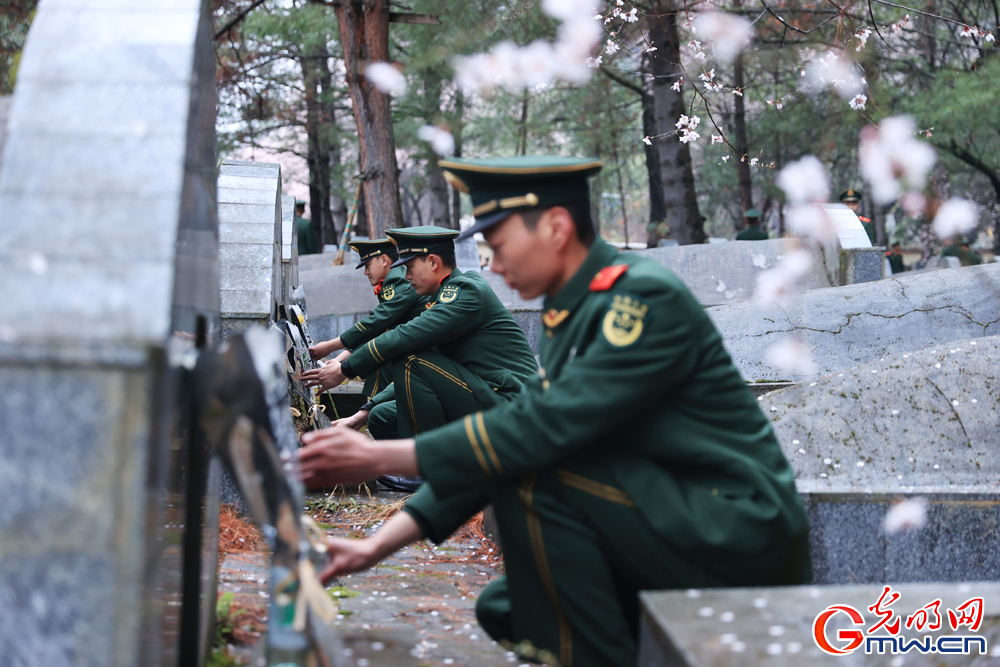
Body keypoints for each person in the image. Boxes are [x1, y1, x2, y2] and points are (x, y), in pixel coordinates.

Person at [297, 156, 811, 666]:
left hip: (732, 524)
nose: (494, 266)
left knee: (531, 478)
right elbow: (519, 433)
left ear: (556, 228)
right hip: (667, 513)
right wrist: (374, 548)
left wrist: (378, 458)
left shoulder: (640, 298)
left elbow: (537, 433)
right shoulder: (581, 306)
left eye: (499, 247)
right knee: (509, 606)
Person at [303, 225, 537, 490]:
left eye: (410, 267)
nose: (406, 275)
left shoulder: (465, 291)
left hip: (509, 407)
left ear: (434, 262)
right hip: (480, 396)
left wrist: (345, 369)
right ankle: (451, 462)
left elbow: (405, 337)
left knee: (410, 358)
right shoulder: (441, 298)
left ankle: (426, 470)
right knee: (382, 417)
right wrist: (360, 416)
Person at [306, 238, 427, 401]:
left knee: (381, 360)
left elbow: (375, 323)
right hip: (412, 348)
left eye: (368, 265)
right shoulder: (392, 283)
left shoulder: (399, 283)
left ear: (384, 260)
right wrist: (337, 360)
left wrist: (331, 347)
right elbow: (378, 330)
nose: (365, 272)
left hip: (422, 355)